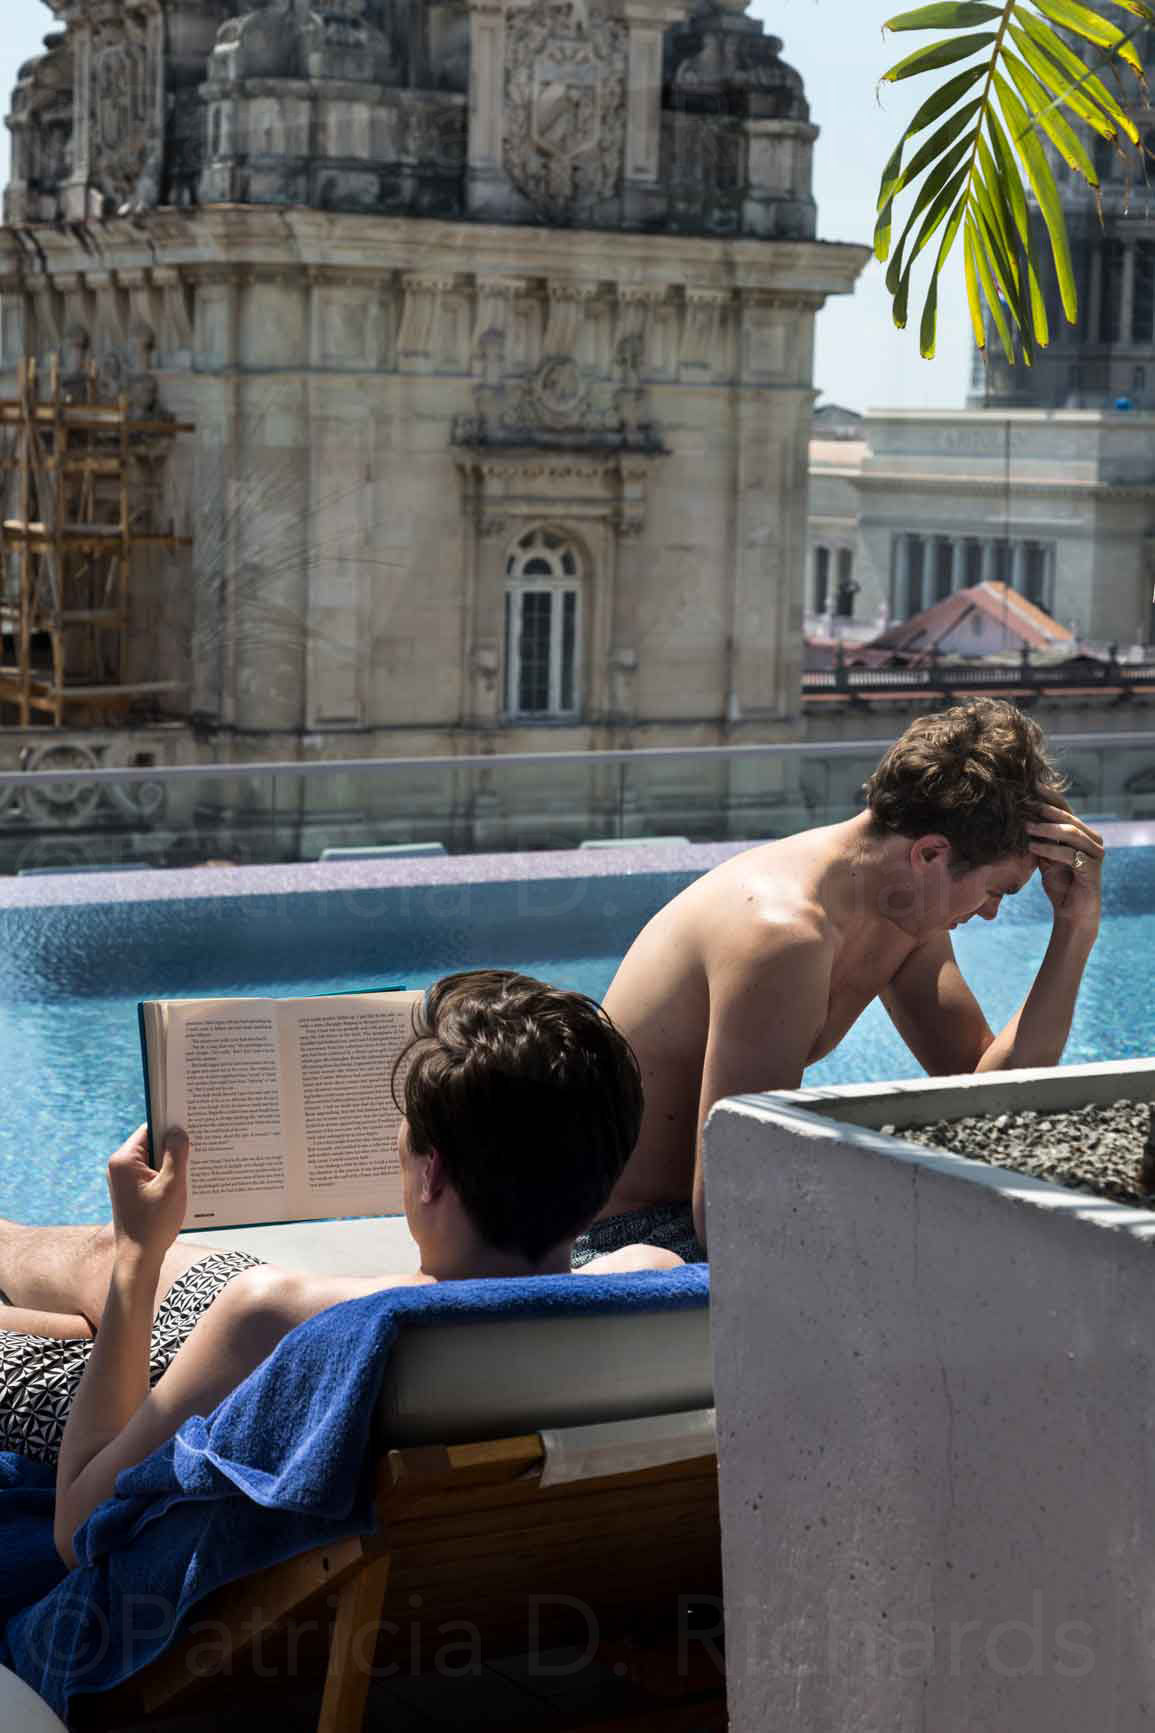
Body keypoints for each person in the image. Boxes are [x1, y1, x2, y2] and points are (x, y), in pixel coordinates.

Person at [0, 972, 675, 1565]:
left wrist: (137, 1252)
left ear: (432, 1172)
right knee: (91, 1263)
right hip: (295, 1334)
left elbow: (77, 1528)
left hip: (239, 1358)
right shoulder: (650, 1282)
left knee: (102, 1265)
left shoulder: (267, 1313)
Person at [573, 699, 1104, 1266]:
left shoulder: (904, 912)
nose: (991, 913)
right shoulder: (783, 935)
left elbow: (989, 1095)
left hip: (704, 1217)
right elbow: (730, 1214)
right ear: (930, 853)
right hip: (627, 1241)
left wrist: (1074, 931)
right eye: (997, 891)